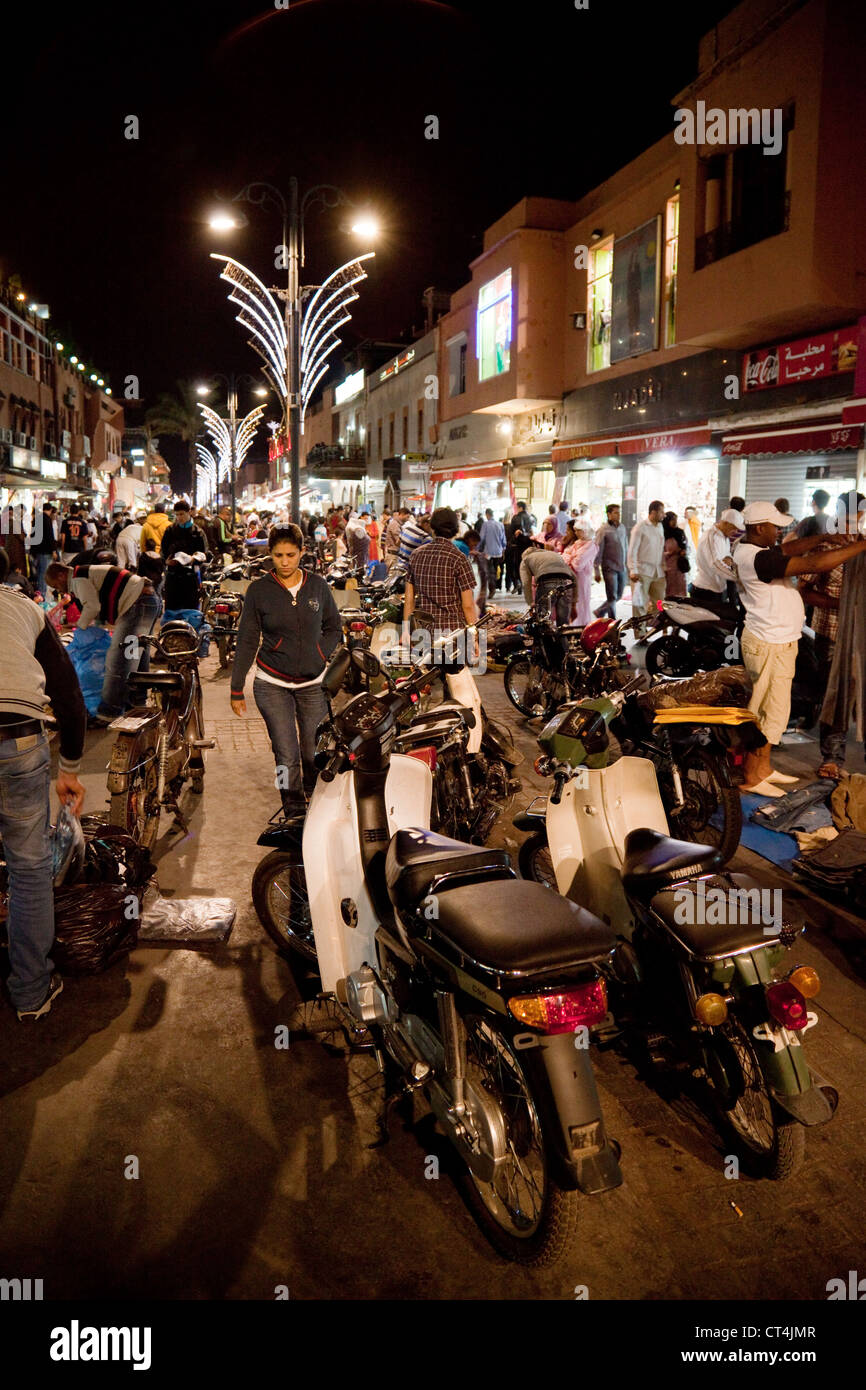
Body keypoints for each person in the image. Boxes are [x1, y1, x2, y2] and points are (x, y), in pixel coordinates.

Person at [0, 547, 87, 1020]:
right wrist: (69, 770)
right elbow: (70, 699)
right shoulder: (25, 609)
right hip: (17, 743)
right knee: (29, 868)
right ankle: (30, 992)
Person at [733, 501, 866, 792]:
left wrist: (823, 538)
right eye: (775, 526)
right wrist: (859, 546)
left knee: (776, 710)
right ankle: (753, 776)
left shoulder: (757, 549)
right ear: (759, 528)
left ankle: (764, 769)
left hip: (778, 641)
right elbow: (815, 564)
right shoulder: (758, 560)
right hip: (768, 643)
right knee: (764, 711)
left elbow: (788, 550)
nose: (780, 532)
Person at [230, 524, 342, 818]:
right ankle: (291, 808)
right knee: (285, 754)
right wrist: (236, 686)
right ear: (270, 555)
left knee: (312, 752)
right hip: (270, 683)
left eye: (291, 554)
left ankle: (314, 800)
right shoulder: (258, 591)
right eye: (278, 555)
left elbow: (334, 629)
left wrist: (320, 653)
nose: (285, 561)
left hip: (313, 684)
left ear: (302, 553)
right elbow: (247, 639)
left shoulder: (318, 585)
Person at [45, 556, 161, 726]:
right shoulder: (85, 573)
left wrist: (81, 628)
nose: (59, 590)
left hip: (137, 603)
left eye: (56, 585)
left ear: (61, 575)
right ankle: (137, 702)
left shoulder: (78, 578)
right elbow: (99, 605)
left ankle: (109, 712)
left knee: (120, 657)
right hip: (147, 600)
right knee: (137, 650)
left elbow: (92, 606)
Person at [799, 494, 866, 779]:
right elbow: (803, 589)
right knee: (835, 695)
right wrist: (840, 604)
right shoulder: (826, 546)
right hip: (833, 634)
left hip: (863, 638)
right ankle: (833, 756)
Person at [403, 507, 478, 661]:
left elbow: (409, 600)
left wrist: (406, 631)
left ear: (432, 527)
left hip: (424, 632)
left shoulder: (416, 555)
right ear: (456, 530)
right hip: (453, 634)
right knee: (454, 681)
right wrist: (474, 637)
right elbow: (468, 605)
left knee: (426, 680)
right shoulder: (459, 559)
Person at [160, 500, 209, 612]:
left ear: (189, 513)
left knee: (190, 611)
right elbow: (163, 551)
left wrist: (193, 559)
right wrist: (166, 561)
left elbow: (204, 553)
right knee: (172, 611)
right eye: (177, 514)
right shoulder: (170, 531)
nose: (179, 517)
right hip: (173, 576)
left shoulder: (198, 532)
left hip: (190, 577)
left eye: (181, 514)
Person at [691, 509, 744, 610]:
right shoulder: (711, 536)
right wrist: (737, 577)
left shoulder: (725, 538)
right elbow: (715, 564)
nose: (736, 532)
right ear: (725, 523)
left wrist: (729, 561)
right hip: (705, 591)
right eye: (734, 528)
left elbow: (728, 558)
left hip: (718, 590)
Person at [520, 540, 577, 626]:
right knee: (563, 624)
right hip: (566, 585)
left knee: (543, 621)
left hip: (547, 583)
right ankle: (563, 639)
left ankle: (546, 639)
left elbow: (526, 583)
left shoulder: (526, 560)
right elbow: (574, 577)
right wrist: (574, 603)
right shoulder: (554, 555)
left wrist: (530, 603)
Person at [627, 500, 665, 622]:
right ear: (653, 512)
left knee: (660, 603)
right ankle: (641, 634)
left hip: (658, 572)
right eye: (661, 512)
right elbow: (632, 550)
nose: (664, 515)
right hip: (642, 572)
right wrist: (633, 570)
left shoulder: (660, 527)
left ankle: (654, 627)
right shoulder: (640, 527)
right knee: (639, 604)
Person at [593, 503, 627, 619]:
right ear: (609, 514)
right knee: (612, 597)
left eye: (619, 512)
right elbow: (598, 551)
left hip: (622, 567)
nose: (618, 515)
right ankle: (613, 622)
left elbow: (625, 546)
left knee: (619, 596)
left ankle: (600, 611)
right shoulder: (603, 530)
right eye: (616, 513)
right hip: (609, 568)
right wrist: (596, 570)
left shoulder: (622, 527)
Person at [562, 521, 598, 625]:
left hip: (582, 579)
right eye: (576, 530)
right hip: (571, 578)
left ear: (585, 531)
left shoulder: (591, 545)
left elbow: (578, 564)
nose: (576, 533)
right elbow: (564, 556)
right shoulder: (577, 543)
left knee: (582, 603)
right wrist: (572, 557)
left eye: (579, 530)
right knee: (573, 602)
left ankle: (582, 626)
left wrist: (570, 557)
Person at [28, 502, 60, 599]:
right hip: (45, 551)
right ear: (50, 510)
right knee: (43, 573)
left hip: (36, 550)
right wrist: (54, 551)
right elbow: (50, 536)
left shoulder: (37, 518)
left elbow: (32, 535)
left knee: (38, 573)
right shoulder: (47, 519)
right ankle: (41, 594)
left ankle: (38, 593)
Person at [478, 508, 506, 596]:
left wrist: (477, 548)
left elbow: (481, 538)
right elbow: (503, 539)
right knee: (496, 569)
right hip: (498, 552)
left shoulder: (485, 524)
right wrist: (503, 549)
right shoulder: (500, 524)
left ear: (487, 514)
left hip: (488, 552)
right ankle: (495, 586)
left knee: (489, 571)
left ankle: (492, 589)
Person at [662, 511, 689, 599]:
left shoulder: (680, 533)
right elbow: (658, 554)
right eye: (672, 520)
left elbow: (688, 547)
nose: (674, 522)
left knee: (680, 593)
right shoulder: (662, 535)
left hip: (680, 568)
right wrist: (671, 553)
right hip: (667, 570)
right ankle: (663, 611)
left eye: (675, 520)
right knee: (666, 594)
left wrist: (684, 551)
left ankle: (678, 612)